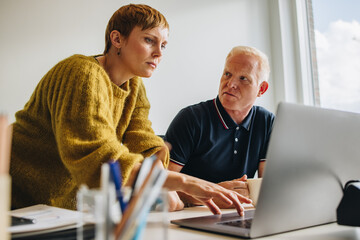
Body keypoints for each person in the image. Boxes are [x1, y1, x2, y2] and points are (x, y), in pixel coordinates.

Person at [10, 4, 251, 216]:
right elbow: (98, 157)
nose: (158, 53)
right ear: (117, 39)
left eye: (163, 45)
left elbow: (145, 143)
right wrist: (183, 182)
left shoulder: (134, 86)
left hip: (62, 212)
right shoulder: (82, 73)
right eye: (149, 40)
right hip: (18, 203)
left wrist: (168, 187)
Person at [165, 46, 275, 208]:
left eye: (243, 78)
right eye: (227, 74)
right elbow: (161, 186)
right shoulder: (190, 118)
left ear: (261, 89)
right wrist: (211, 194)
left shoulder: (266, 121)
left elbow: (269, 190)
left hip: (239, 213)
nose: (231, 84)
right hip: (192, 214)